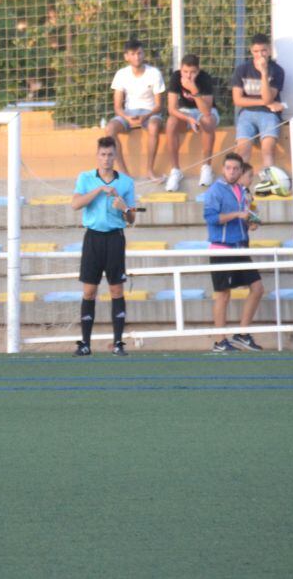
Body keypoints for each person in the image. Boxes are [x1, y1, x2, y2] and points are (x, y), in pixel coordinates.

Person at [70, 136, 137, 357]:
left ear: (115, 156)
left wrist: (123, 206)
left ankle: (118, 343)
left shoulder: (126, 182)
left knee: (116, 289)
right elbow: (75, 204)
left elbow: (132, 219)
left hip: (115, 238)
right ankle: (85, 343)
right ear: (97, 156)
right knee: (89, 291)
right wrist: (98, 190)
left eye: (110, 154)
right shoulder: (86, 178)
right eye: (103, 154)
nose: (106, 158)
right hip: (93, 238)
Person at [203, 153, 265, 353]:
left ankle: (242, 333)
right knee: (223, 295)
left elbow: (244, 218)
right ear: (223, 169)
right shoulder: (215, 191)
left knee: (257, 288)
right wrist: (238, 215)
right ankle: (220, 340)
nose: (231, 171)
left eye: (235, 168)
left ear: (240, 170)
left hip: (240, 247)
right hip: (222, 248)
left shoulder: (242, 191)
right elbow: (211, 218)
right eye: (228, 168)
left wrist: (250, 223)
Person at [106, 39, 166, 181]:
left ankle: (150, 171)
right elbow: (117, 107)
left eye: (139, 53)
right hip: (128, 113)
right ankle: (124, 174)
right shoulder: (121, 74)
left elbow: (158, 105)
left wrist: (146, 116)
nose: (137, 57)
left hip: (150, 112)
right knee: (109, 129)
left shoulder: (154, 73)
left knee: (153, 126)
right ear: (126, 56)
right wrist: (127, 118)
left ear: (143, 54)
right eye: (132, 54)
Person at [233, 34, 286, 177]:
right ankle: (239, 184)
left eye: (263, 51)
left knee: (268, 148)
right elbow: (238, 100)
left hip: (269, 114)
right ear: (251, 51)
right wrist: (266, 102)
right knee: (243, 149)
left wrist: (264, 73)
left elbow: (269, 97)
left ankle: (269, 180)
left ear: (269, 50)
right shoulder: (242, 69)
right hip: (247, 114)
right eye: (256, 51)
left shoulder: (277, 70)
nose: (260, 55)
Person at [165, 54, 219, 191]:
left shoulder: (205, 78)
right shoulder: (176, 77)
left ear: (198, 71)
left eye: (193, 72)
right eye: (185, 72)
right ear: (180, 69)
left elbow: (206, 111)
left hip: (204, 110)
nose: (188, 76)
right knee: (171, 123)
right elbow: (172, 109)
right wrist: (188, 118)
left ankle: (206, 167)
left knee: (207, 121)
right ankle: (175, 171)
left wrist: (194, 90)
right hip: (185, 112)